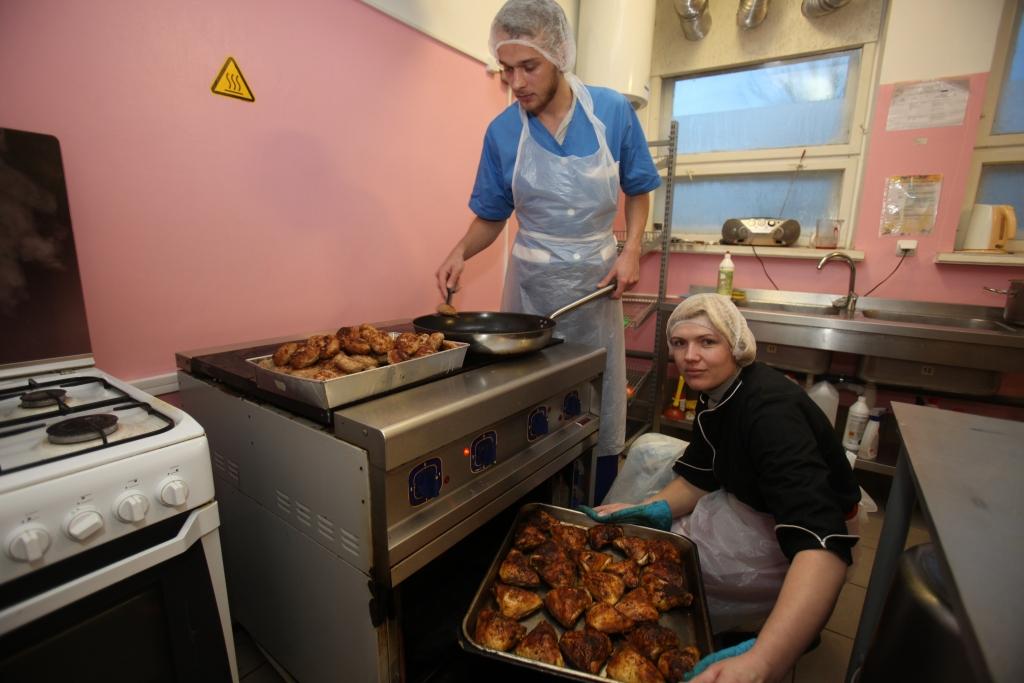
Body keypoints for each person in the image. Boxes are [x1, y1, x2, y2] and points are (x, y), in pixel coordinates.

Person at [434, 0, 661, 494]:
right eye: (506, 69)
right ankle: (530, 502)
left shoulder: (612, 111)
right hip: (531, 287)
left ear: (560, 56)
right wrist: (459, 252)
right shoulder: (502, 131)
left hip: (596, 284)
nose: (517, 83)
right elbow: (493, 214)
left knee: (596, 400)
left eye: (528, 67)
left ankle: (594, 509)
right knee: (530, 402)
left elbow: (639, 187)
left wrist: (633, 249)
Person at [593, 293, 861, 683]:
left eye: (707, 342)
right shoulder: (717, 393)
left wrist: (766, 659)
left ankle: (789, 626)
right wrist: (653, 507)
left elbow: (821, 542)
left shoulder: (771, 415)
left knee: (684, 578)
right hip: (752, 502)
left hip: (794, 530)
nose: (690, 356)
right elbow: (703, 475)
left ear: (737, 344)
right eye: (679, 344)